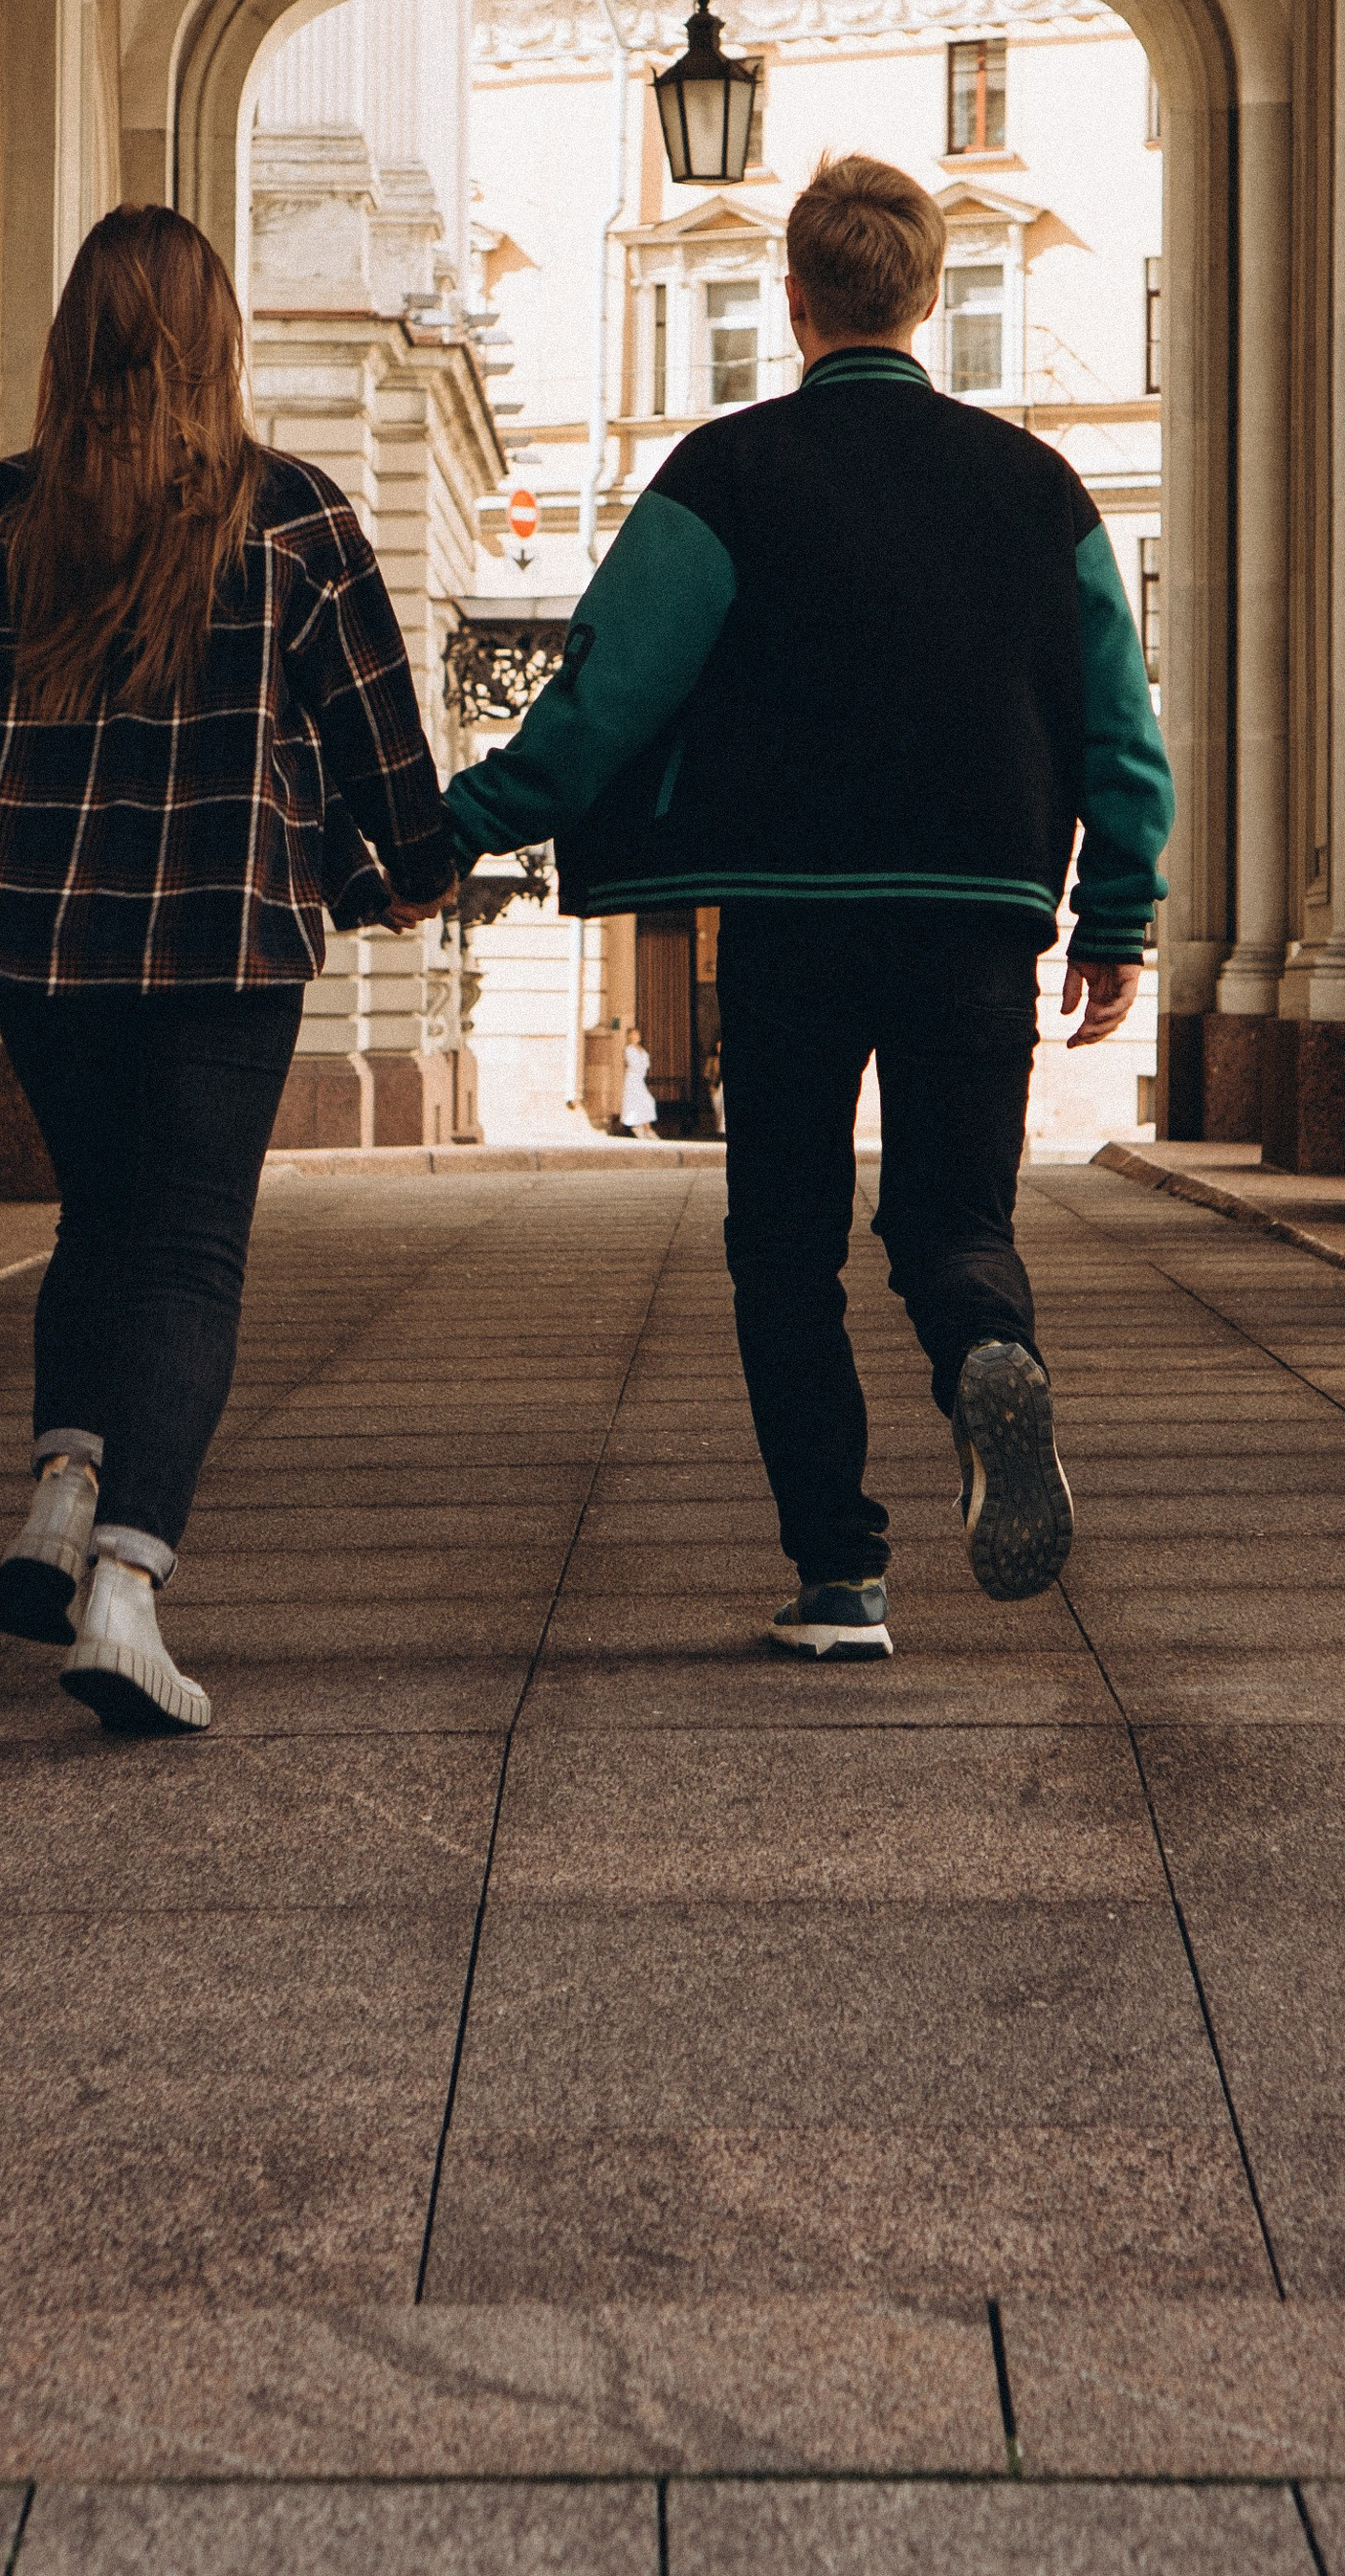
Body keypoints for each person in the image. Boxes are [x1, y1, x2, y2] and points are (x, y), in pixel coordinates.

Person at [0, 205, 452, 1737]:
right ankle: (123, 1586)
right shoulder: (297, 516)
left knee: (101, 1224)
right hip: (224, 949)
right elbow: (384, 764)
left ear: (71, 345)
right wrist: (406, 877)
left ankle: (61, 1489)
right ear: (221, 341)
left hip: (45, 944)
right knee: (188, 1255)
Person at [445, 152, 1172, 1662]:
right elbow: (1119, 719)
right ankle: (986, 1345)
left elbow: (606, 697)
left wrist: (464, 824)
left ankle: (841, 1578)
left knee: (785, 1239)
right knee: (951, 1215)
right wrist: (1116, 914)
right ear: (927, 298)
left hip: (785, 914)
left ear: (792, 302)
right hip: (979, 907)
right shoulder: (1039, 488)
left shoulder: (728, 473)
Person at [618, 1028, 659, 1138]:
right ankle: (637, 1127)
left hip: (639, 1079)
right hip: (632, 1079)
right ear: (629, 1037)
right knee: (636, 1102)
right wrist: (641, 1066)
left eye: (636, 1035)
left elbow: (646, 1064)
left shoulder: (641, 1050)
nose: (635, 1037)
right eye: (632, 1035)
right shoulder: (628, 1050)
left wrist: (642, 1065)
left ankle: (646, 1128)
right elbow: (634, 1065)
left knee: (647, 1102)